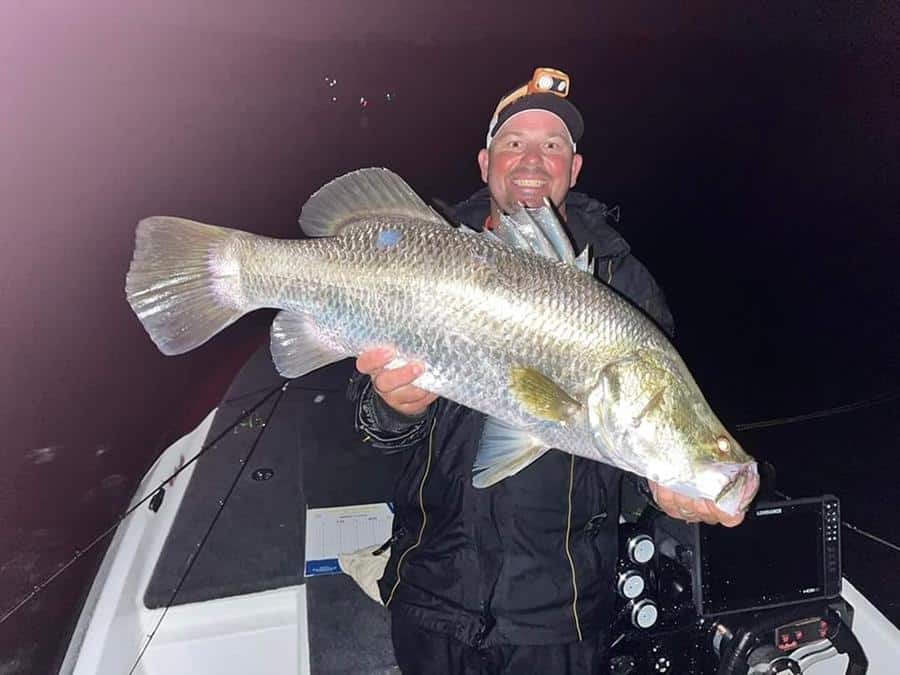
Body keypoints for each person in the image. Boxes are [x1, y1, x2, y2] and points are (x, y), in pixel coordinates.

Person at [352, 67, 745, 674]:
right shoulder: (420, 252)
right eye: (514, 143)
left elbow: (634, 448)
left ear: (574, 169)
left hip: (559, 618)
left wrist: (662, 487)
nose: (532, 160)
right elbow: (367, 431)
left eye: (552, 145)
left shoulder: (623, 286)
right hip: (431, 592)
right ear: (484, 163)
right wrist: (392, 406)